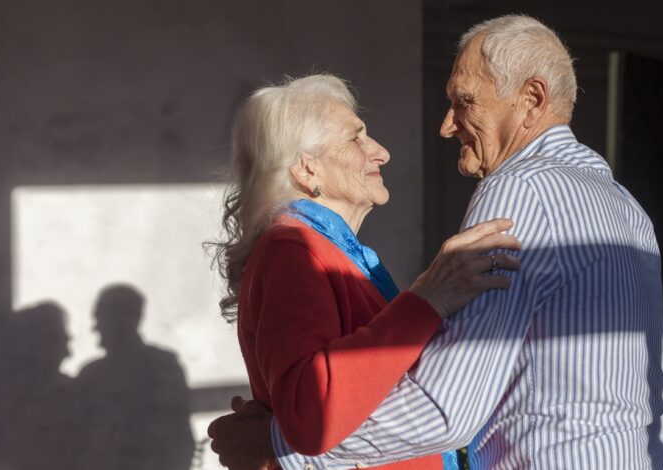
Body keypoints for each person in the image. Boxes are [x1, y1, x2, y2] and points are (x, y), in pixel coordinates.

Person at [207, 14, 663, 470]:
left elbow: (447, 408)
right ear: (306, 169)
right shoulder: (626, 206)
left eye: (464, 101)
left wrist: (277, 447)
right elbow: (654, 395)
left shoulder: (519, 189)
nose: (447, 126)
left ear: (532, 98)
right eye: (356, 138)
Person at [206, 74, 522, 469]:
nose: (381, 152)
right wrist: (427, 300)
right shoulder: (292, 250)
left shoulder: (330, 250)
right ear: (307, 169)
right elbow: (314, 412)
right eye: (356, 138)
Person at [75, 284, 195, 470]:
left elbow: (178, 437)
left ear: (125, 320)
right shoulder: (90, 375)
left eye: (101, 318)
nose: (95, 327)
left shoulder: (163, 367)